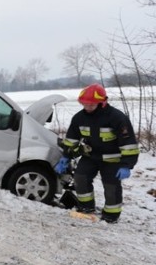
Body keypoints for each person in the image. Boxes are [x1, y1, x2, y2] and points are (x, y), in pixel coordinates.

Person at [54, 83, 139, 223]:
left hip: (113, 160)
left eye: (91, 105)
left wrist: (127, 165)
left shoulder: (117, 118)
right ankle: (86, 207)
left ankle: (111, 215)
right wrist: (66, 157)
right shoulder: (79, 118)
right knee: (80, 177)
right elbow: (71, 140)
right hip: (91, 157)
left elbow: (128, 143)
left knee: (111, 186)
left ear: (102, 102)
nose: (87, 108)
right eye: (85, 104)